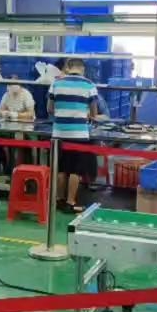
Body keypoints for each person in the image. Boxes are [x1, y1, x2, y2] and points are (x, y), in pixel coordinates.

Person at [48, 59, 99, 213]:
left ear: (67, 68)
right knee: (76, 170)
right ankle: (70, 202)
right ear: (82, 69)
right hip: (79, 134)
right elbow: (94, 113)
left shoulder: (56, 83)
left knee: (61, 168)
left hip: (59, 133)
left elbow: (50, 109)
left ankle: (58, 200)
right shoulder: (89, 85)